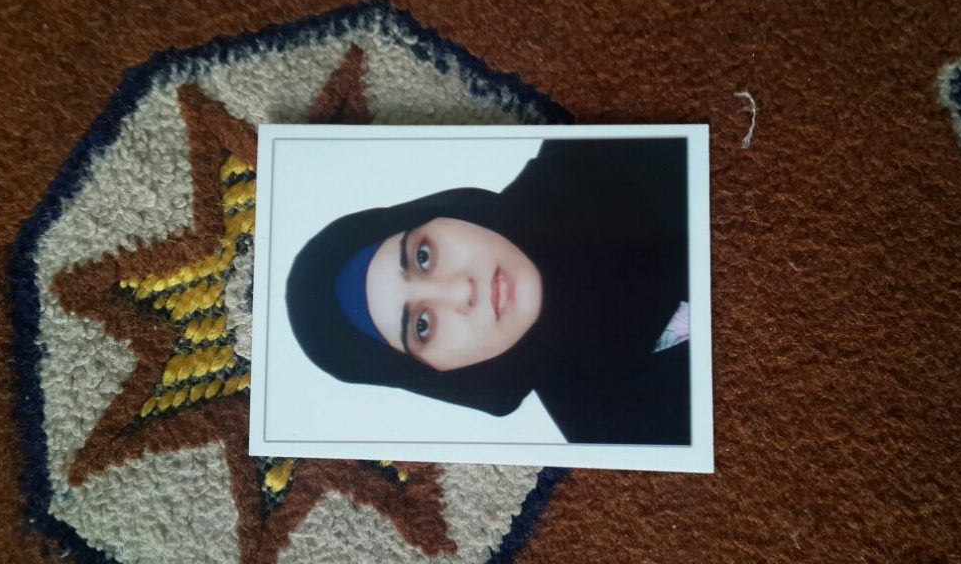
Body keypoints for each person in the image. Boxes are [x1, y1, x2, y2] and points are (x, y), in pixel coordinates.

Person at [286, 138, 691, 444]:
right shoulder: (617, 437)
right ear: (441, 375)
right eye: (422, 325)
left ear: (445, 216)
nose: (461, 291)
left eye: (423, 256)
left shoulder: (600, 143)